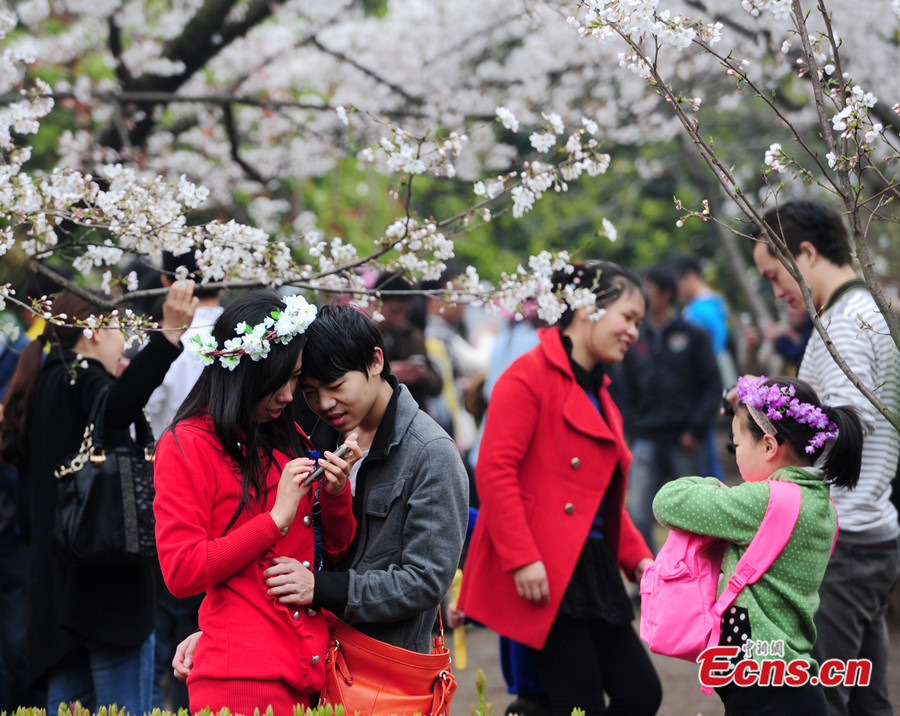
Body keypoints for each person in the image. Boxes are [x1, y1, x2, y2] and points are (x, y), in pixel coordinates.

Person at [172, 303, 469, 674]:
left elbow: (425, 582)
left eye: (336, 386)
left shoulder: (429, 452)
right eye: (309, 391)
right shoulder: (311, 435)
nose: (325, 403)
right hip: (310, 661)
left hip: (379, 670)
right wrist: (220, 628)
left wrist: (321, 588)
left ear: (376, 361)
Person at [457, 261, 662, 716]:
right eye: (628, 318)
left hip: (593, 566)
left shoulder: (600, 393)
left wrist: (639, 559)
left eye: (639, 323)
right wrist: (522, 558)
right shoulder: (527, 374)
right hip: (546, 566)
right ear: (587, 307)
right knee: (578, 704)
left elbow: (600, 500)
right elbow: (494, 470)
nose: (633, 332)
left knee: (641, 693)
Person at [153, 290, 362, 716]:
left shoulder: (285, 437)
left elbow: (335, 553)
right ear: (244, 373)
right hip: (240, 682)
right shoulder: (186, 445)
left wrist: (336, 495)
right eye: (277, 380)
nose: (288, 395)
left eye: (295, 378)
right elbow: (181, 571)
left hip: (310, 674)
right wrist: (274, 519)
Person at [0, 282, 197, 715]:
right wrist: (167, 337)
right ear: (92, 331)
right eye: (117, 329)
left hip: (58, 597)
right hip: (107, 590)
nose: (123, 341)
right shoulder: (82, 379)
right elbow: (118, 409)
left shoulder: (46, 382)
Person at [752, 199, 900, 716]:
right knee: (865, 702)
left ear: (807, 254)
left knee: (820, 701)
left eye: (774, 275)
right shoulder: (862, 312)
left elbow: (845, 425)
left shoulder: (845, 323)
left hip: (845, 537)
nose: (777, 291)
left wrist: (771, 426)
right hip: (867, 531)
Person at [653, 375, 864, 715]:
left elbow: (667, 502)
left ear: (768, 446)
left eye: (737, 444)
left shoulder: (764, 500)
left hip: (762, 684)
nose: (735, 455)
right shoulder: (823, 505)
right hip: (791, 679)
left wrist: (716, 487)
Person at [142, 250, 225, 711]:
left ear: (165, 279)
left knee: (162, 640)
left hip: (169, 496)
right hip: (229, 504)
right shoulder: (245, 337)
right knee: (208, 633)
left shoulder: (167, 342)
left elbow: (145, 412)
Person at [619, 263, 722, 552]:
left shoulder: (693, 335)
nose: (643, 297)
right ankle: (648, 572)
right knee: (639, 513)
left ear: (666, 295)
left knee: (694, 515)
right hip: (646, 437)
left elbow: (711, 385)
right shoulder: (635, 337)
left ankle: (695, 572)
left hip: (684, 439)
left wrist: (695, 430)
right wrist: (632, 428)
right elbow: (625, 388)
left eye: (649, 291)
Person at [669, 253, 736, 481]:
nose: (675, 291)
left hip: (701, 387)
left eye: (677, 283)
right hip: (714, 380)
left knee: (705, 455)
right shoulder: (717, 303)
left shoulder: (697, 312)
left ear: (690, 277)